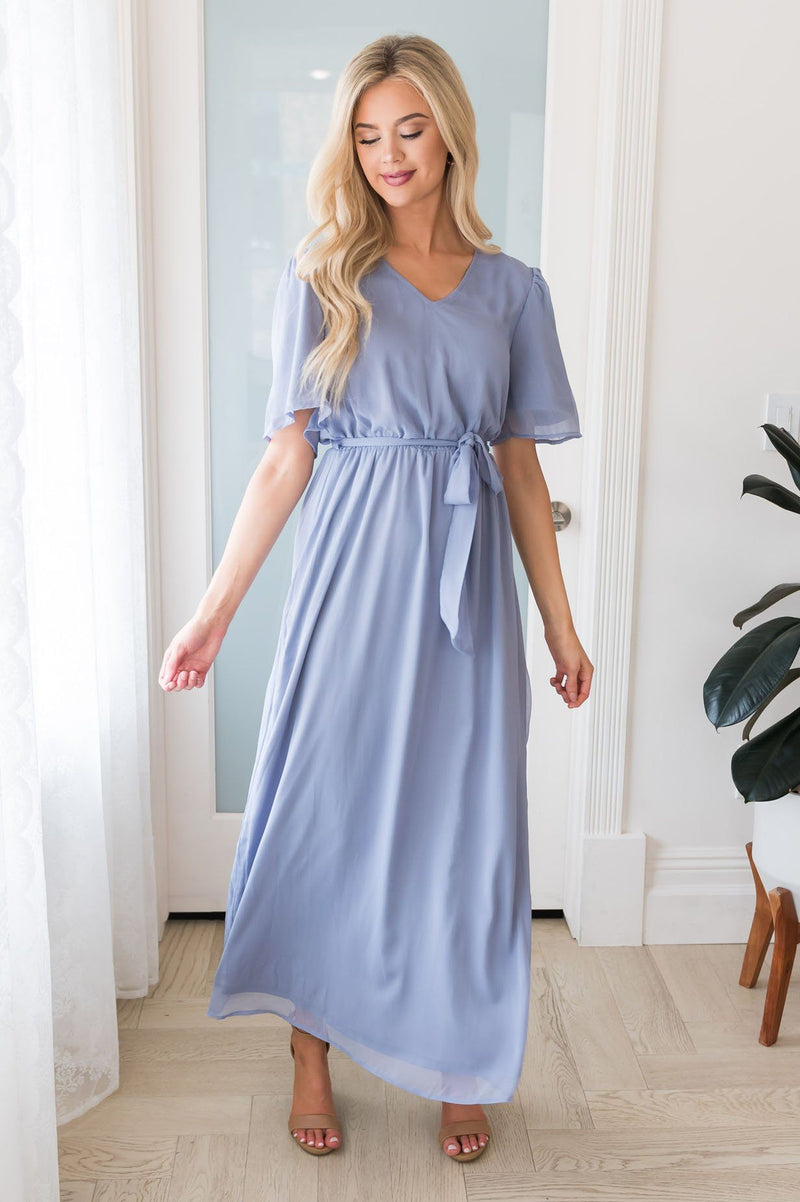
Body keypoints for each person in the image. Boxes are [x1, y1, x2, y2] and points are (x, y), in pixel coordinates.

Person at [159, 32, 593, 1164]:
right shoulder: (324, 278)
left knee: (463, 830)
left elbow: (519, 469)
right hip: (351, 579)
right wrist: (212, 612)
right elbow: (284, 461)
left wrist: (559, 623)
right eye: (366, 135)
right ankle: (311, 1052)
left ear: (449, 133)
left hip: (467, 601)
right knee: (326, 811)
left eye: (408, 128)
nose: (389, 154)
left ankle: (458, 1058)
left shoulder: (513, 291)